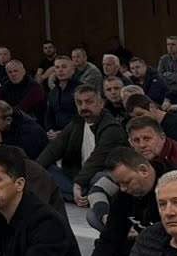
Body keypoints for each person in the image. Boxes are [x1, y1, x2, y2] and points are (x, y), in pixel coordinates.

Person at [83, 152, 162, 256]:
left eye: (126, 182)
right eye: (119, 184)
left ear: (143, 171)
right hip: (136, 253)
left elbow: (165, 249)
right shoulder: (124, 195)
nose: (123, 189)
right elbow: (110, 237)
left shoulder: (169, 192)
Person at [36, 83, 127, 214]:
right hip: (78, 175)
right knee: (45, 170)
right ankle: (87, 196)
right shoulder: (77, 122)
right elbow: (54, 148)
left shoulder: (111, 128)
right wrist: (32, 171)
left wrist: (78, 184)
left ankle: (78, 194)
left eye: (89, 102)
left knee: (102, 177)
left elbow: (97, 159)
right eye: (79, 103)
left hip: (98, 175)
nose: (84, 107)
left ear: (101, 103)